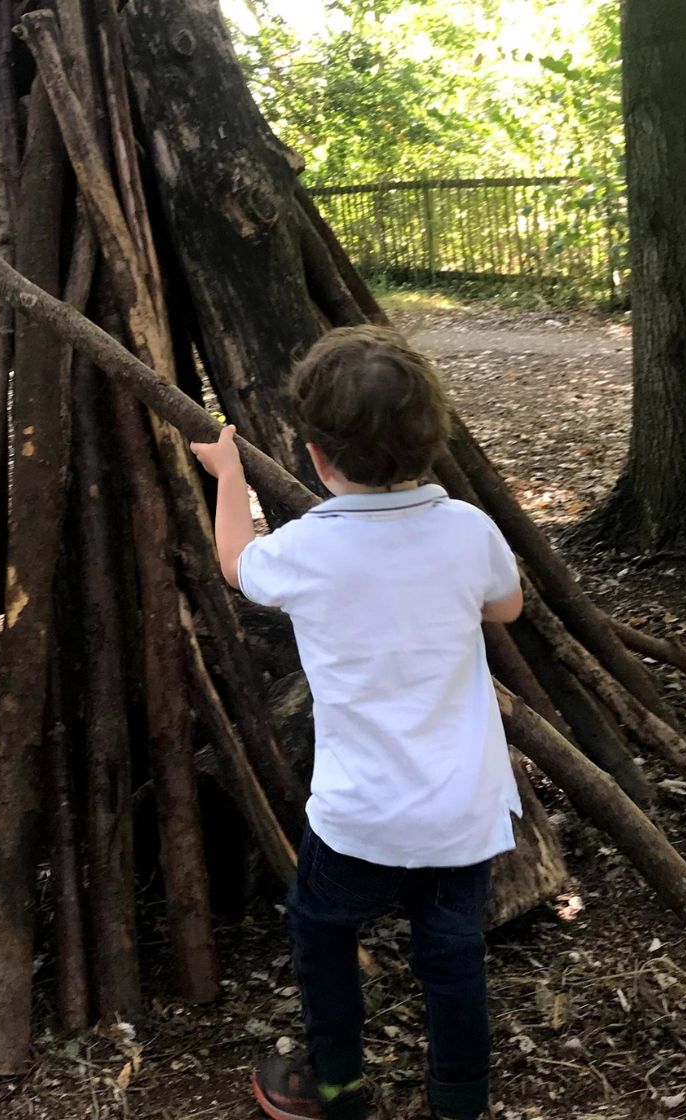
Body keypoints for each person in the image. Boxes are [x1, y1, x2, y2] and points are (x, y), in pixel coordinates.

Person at [189, 326, 524, 1120]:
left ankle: (336, 1083)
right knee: (454, 957)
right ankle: (459, 1102)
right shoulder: (469, 529)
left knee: (322, 931)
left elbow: (236, 564)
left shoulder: (309, 548)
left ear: (315, 455)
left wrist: (229, 474)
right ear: (434, 441)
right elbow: (507, 606)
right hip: (463, 814)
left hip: (359, 817)